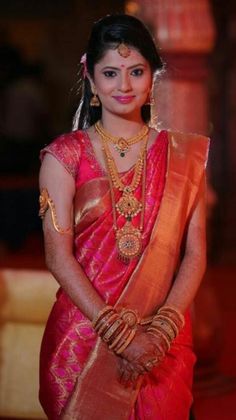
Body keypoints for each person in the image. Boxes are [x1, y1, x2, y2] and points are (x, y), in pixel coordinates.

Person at [38, 14, 209, 420]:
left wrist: (160, 333)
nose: (125, 85)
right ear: (92, 80)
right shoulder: (64, 156)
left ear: (153, 78)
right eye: (111, 73)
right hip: (84, 339)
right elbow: (57, 257)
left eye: (136, 71)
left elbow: (195, 252)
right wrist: (120, 336)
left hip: (162, 343)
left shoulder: (186, 156)